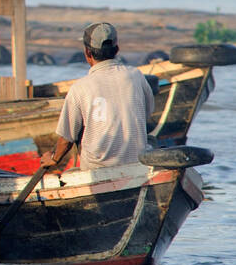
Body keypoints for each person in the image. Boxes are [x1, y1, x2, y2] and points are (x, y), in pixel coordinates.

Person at [42, 22, 154, 172]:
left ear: (88, 53)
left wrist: (54, 159)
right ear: (117, 50)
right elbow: (147, 112)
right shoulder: (136, 75)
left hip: (96, 169)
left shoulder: (80, 88)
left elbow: (66, 139)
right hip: (137, 165)